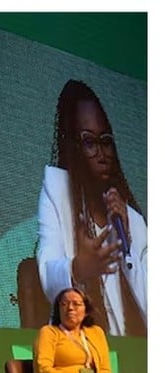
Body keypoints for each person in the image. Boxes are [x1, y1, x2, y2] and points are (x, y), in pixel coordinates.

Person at [36, 79, 146, 337]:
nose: (102, 154)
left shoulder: (133, 220)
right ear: (73, 147)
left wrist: (127, 247)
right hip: (79, 348)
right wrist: (78, 268)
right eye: (89, 142)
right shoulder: (57, 192)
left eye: (105, 141)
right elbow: (47, 272)